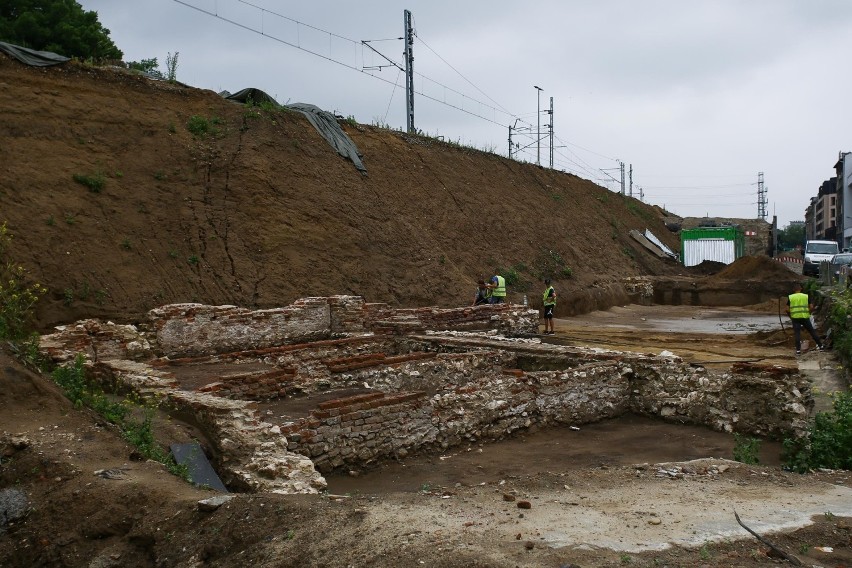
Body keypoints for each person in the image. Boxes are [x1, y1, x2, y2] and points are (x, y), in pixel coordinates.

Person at [785, 282, 825, 355]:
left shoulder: (791, 297)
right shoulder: (806, 296)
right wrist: (808, 313)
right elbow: (811, 307)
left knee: (797, 334)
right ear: (801, 289)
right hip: (805, 317)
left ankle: (798, 351)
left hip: (795, 318)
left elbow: (787, 309)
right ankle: (821, 346)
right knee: (812, 331)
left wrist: (791, 316)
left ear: (794, 289)